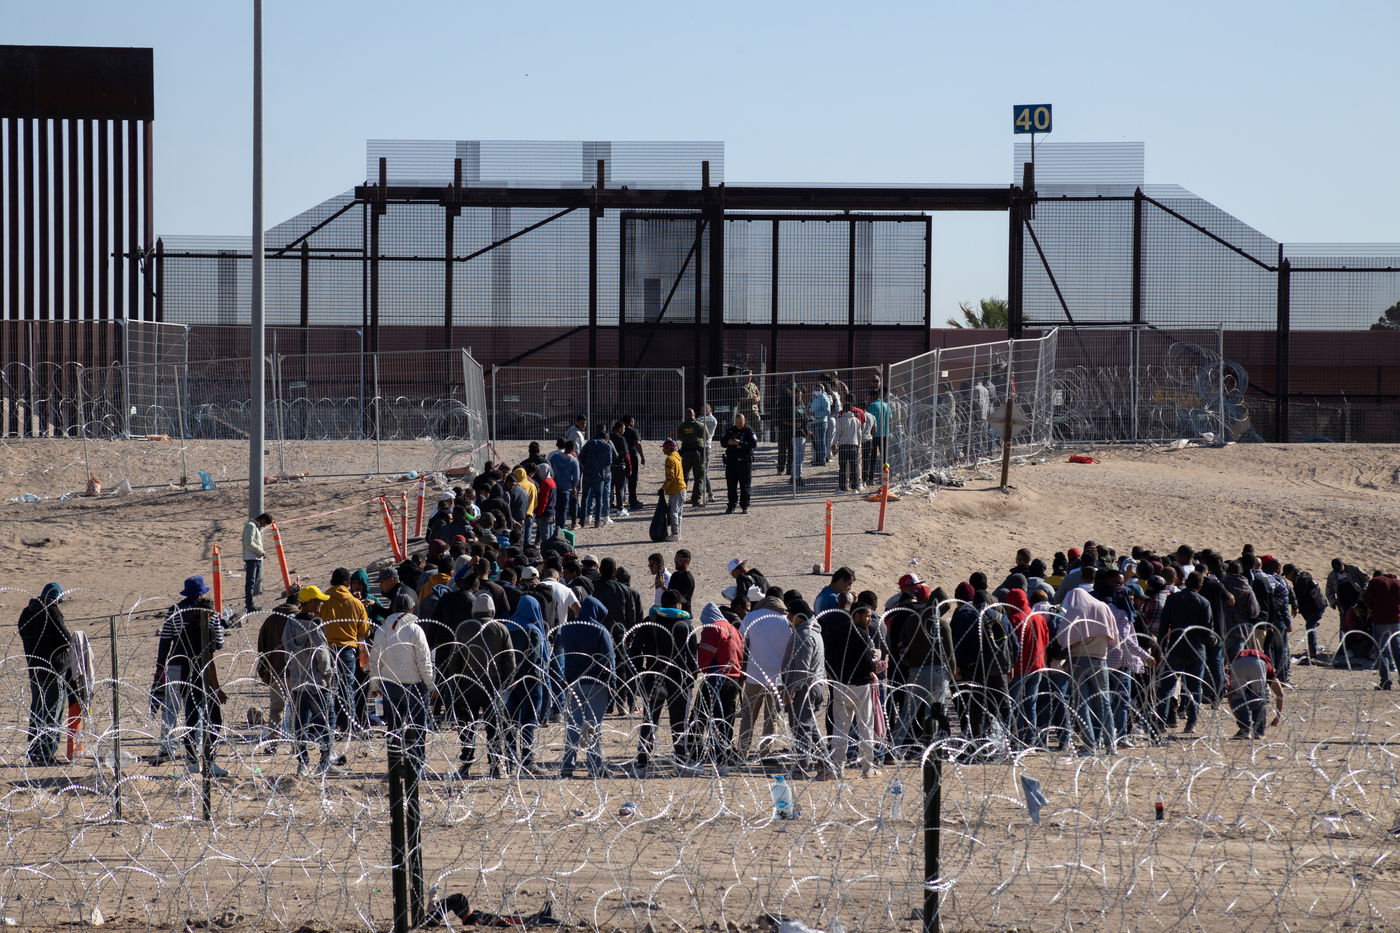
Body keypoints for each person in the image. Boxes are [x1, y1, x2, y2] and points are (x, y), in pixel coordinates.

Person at [154, 576, 229, 776]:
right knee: (207, 717)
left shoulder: (175, 611)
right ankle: (206, 759)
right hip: (201, 669)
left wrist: (160, 667)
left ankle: (172, 750)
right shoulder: (209, 615)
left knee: (177, 711)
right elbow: (218, 644)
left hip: (177, 665)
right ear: (202, 593)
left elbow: (165, 641)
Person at [444, 593, 516, 779]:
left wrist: (456, 680)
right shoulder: (501, 628)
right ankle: (494, 766)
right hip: (493, 684)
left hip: (468, 682)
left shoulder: (464, 628)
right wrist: (506, 684)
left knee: (467, 726)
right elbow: (510, 661)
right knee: (494, 728)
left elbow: (455, 658)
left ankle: (466, 763)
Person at [627, 590, 696, 773]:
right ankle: (680, 756)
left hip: (654, 675)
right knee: (678, 720)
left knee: (650, 718)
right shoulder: (685, 625)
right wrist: (691, 679)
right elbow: (692, 657)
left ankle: (643, 758)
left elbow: (634, 652)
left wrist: (641, 672)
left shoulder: (650, 623)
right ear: (677, 605)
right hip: (678, 678)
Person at [555, 596, 617, 778]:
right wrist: (612, 683)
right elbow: (608, 659)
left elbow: (559, 653)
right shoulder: (599, 629)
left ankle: (568, 766)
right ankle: (594, 765)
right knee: (593, 727)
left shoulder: (567, 628)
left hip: (574, 683)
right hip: (597, 684)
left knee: (573, 726)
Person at [1057, 582, 1119, 756]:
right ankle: (1110, 744)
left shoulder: (1075, 611)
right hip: (1100, 659)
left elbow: (1064, 637)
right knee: (1103, 701)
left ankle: (1089, 744)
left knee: (1082, 702)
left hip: (1078, 660)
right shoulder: (1102, 607)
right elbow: (1113, 635)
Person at [18, 582, 72, 766]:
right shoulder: (53, 610)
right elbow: (65, 637)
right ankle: (47, 753)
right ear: (57, 597)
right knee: (52, 712)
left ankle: (34, 751)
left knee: (38, 710)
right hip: (53, 669)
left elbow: (24, 634)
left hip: (34, 669)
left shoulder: (27, 612)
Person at [737, 587, 793, 761]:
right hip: (777, 678)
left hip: (754, 675)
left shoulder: (752, 616)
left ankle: (743, 751)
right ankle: (765, 753)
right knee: (772, 718)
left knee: (748, 715)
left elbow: (741, 643)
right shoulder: (787, 620)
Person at [282, 607, 337, 776]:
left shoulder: (290, 624)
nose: (321, 605)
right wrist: (328, 675)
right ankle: (325, 761)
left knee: (300, 724)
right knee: (327, 720)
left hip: (297, 681)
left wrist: (292, 672)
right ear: (312, 602)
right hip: (316, 683)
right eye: (319, 602)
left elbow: (286, 652)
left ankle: (303, 763)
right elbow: (322, 655)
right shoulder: (314, 625)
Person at [500, 594, 551, 775]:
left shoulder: (507, 626)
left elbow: (504, 655)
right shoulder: (533, 630)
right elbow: (535, 657)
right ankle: (528, 760)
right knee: (528, 721)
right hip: (531, 681)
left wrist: (511, 677)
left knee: (511, 721)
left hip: (510, 682)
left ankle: (510, 760)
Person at [1158, 572, 1213, 734]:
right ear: (1200, 586)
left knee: (1167, 687)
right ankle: (1192, 723)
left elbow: (1164, 624)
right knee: (1194, 688)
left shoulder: (1173, 599)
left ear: (1186, 582)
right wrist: (1212, 641)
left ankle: (1161, 721)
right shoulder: (1204, 602)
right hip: (1197, 651)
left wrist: (1162, 646)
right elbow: (1207, 631)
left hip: (1175, 648)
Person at [695, 602, 746, 772]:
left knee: (700, 716)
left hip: (716, 679)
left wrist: (699, 668)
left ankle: (695, 757)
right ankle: (722, 759)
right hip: (733, 679)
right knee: (726, 719)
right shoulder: (733, 629)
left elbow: (705, 654)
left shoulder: (713, 628)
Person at [780, 598, 829, 776]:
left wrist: (791, 690)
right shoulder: (811, 632)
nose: (788, 619)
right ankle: (825, 762)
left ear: (799, 616)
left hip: (804, 687)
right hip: (810, 686)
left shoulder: (805, 635)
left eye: (790, 615)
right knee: (807, 726)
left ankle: (801, 767)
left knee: (802, 727)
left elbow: (801, 668)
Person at [320, 571, 371, 736]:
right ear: (348, 583)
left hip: (327, 649)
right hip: (348, 649)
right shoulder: (356, 603)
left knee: (327, 687)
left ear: (331, 581)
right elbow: (364, 630)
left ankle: (329, 723)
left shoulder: (324, 601)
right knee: (347, 688)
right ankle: (348, 724)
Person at [254, 588, 298, 751]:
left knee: (276, 709)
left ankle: (273, 742)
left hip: (275, 671)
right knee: (295, 709)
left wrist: (264, 670)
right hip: (295, 671)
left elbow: (261, 647)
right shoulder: (297, 619)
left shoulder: (271, 620)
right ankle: (297, 744)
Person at [1227, 631, 1284, 740]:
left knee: (1238, 695)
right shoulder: (1267, 664)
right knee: (1259, 696)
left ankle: (1244, 730)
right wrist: (1277, 717)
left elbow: (1230, 693)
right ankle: (1259, 731)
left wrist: (1237, 713)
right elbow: (1280, 693)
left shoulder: (1236, 658)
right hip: (1259, 663)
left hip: (1238, 663)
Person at [1283, 563, 1328, 662]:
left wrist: (1293, 605)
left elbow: (1297, 597)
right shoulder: (1300, 578)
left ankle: (1312, 653)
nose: (1286, 577)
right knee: (1310, 624)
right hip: (1313, 607)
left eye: (1287, 574)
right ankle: (1312, 648)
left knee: (1310, 626)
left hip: (1317, 607)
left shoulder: (1302, 581)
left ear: (1292, 573)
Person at [1364, 569, 1400, 691]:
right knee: (1397, 651)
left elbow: (1367, 599)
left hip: (1380, 620)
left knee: (1383, 651)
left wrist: (1374, 609)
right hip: (1396, 620)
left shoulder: (1375, 581)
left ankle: (1386, 681)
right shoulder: (1397, 582)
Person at [719, 413, 758, 514]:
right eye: (737, 422)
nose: (739, 424)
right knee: (731, 485)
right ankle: (731, 505)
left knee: (745, 485)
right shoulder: (731, 430)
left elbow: (754, 444)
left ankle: (744, 506)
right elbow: (722, 442)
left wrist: (740, 443)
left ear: (745, 421)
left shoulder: (749, 430)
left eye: (740, 422)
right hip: (731, 462)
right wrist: (729, 442)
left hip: (744, 462)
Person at [578, 425, 615, 528]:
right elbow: (609, 462)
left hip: (588, 473)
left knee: (585, 497)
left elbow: (581, 456)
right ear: (606, 438)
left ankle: (582, 520)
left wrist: (586, 464)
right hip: (600, 475)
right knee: (599, 498)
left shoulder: (590, 443)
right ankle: (597, 521)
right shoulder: (607, 446)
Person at [242, 512, 274, 614]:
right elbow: (248, 542)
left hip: (256, 558)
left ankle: (250, 603)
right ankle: (249, 605)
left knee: (253, 582)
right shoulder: (251, 526)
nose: (264, 526)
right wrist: (260, 551)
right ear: (263, 520)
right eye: (265, 524)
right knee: (250, 583)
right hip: (252, 558)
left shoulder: (255, 527)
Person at [676, 409, 708, 507]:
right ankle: (696, 500)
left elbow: (680, 437)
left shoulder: (682, 426)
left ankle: (681, 499)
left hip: (685, 453)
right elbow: (706, 436)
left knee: (684, 477)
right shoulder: (700, 425)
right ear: (694, 415)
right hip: (698, 453)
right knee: (699, 477)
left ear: (686, 415)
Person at [548, 440, 582, 531]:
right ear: (573, 449)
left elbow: (550, 470)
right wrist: (574, 486)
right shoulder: (574, 461)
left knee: (555, 508)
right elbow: (576, 477)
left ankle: (554, 526)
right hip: (566, 488)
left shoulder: (554, 458)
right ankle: (561, 529)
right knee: (563, 510)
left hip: (555, 486)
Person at [661, 438, 686, 541]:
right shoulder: (677, 457)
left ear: (668, 448)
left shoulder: (670, 459)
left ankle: (675, 533)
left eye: (664, 448)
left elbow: (670, 477)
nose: (663, 450)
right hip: (682, 487)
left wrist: (663, 488)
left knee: (673, 512)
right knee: (679, 512)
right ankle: (678, 533)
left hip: (675, 489)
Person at [833, 403, 862, 492]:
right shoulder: (857, 421)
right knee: (854, 467)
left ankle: (842, 487)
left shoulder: (840, 420)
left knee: (843, 467)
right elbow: (859, 434)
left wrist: (834, 443)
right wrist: (859, 445)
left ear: (843, 410)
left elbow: (838, 433)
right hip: (854, 445)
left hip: (843, 445)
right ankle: (855, 488)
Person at [608, 421, 632, 517]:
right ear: (620, 428)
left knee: (609, 488)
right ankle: (620, 508)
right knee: (620, 488)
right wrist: (629, 467)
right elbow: (626, 454)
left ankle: (608, 507)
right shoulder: (621, 439)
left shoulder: (609, 437)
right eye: (624, 428)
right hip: (620, 466)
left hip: (609, 467)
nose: (624, 430)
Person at [623, 415, 646, 511]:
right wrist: (642, 456)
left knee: (620, 480)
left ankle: (617, 501)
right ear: (630, 422)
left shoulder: (620, 431)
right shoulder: (633, 431)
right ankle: (633, 500)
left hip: (621, 457)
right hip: (632, 457)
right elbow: (638, 444)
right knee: (633, 479)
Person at [698, 404, 718, 504]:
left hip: (706, 447)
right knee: (698, 472)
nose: (702, 411)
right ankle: (697, 495)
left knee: (704, 472)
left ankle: (710, 494)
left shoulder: (712, 420)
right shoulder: (700, 418)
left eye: (704, 409)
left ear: (710, 409)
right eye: (701, 410)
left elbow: (699, 424)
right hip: (698, 447)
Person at [808, 383, 832, 466]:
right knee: (816, 442)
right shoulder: (814, 398)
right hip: (814, 422)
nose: (817, 391)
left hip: (821, 422)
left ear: (822, 390)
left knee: (821, 441)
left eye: (819, 389)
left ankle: (822, 459)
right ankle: (817, 459)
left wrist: (816, 414)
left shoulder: (824, 398)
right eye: (816, 389)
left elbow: (827, 411)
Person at [738, 371, 763, 440]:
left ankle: (759, 441)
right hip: (745, 410)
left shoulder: (754, 386)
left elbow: (759, 395)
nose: (749, 378)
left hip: (754, 409)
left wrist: (757, 399)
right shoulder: (740, 385)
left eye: (750, 376)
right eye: (748, 376)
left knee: (758, 424)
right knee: (744, 426)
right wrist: (749, 400)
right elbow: (738, 398)